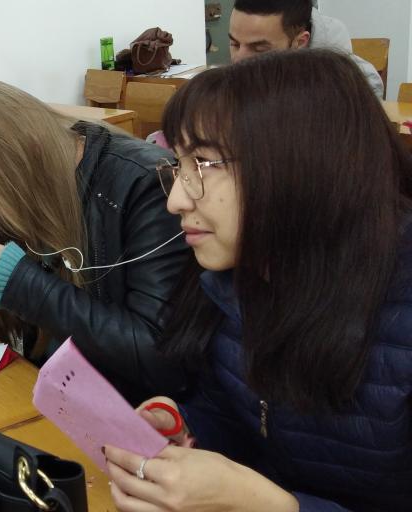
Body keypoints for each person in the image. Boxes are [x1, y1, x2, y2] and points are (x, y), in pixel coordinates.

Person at [105, 49, 412, 511]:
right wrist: (188, 427)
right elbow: (249, 422)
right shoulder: (241, 275)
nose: (175, 202)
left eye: (202, 164)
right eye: (178, 166)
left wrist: (267, 504)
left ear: (299, 166)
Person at [0, 78, 190, 404]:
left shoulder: (145, 186)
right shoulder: (34, 182)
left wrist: (18, 283)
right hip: (68, 385)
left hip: (140, 409)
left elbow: (161, 359)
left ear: (22, 152)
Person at [229, 0, 384, 97]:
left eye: (259, 49)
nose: (238, 60)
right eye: (235, 44)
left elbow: (370, 86)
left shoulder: (331, 55)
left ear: (300, 42)